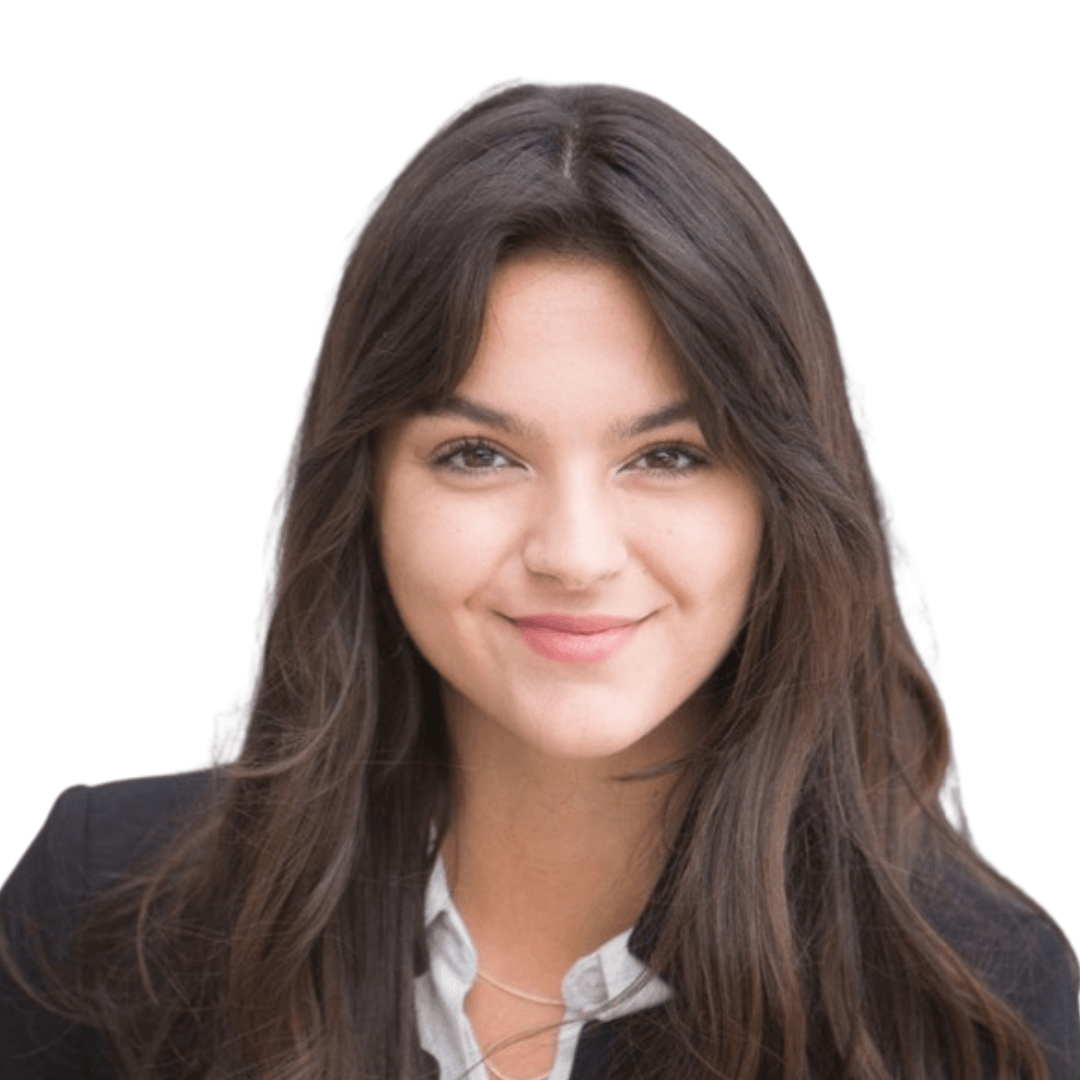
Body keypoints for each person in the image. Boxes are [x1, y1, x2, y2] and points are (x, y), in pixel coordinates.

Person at [1, 82, 1077, 1080]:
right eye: (479, 455)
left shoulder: (972, 1004)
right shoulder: (98, 916)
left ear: (781, 500)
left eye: (668, 455)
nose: (575, 552)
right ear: (365, 488)